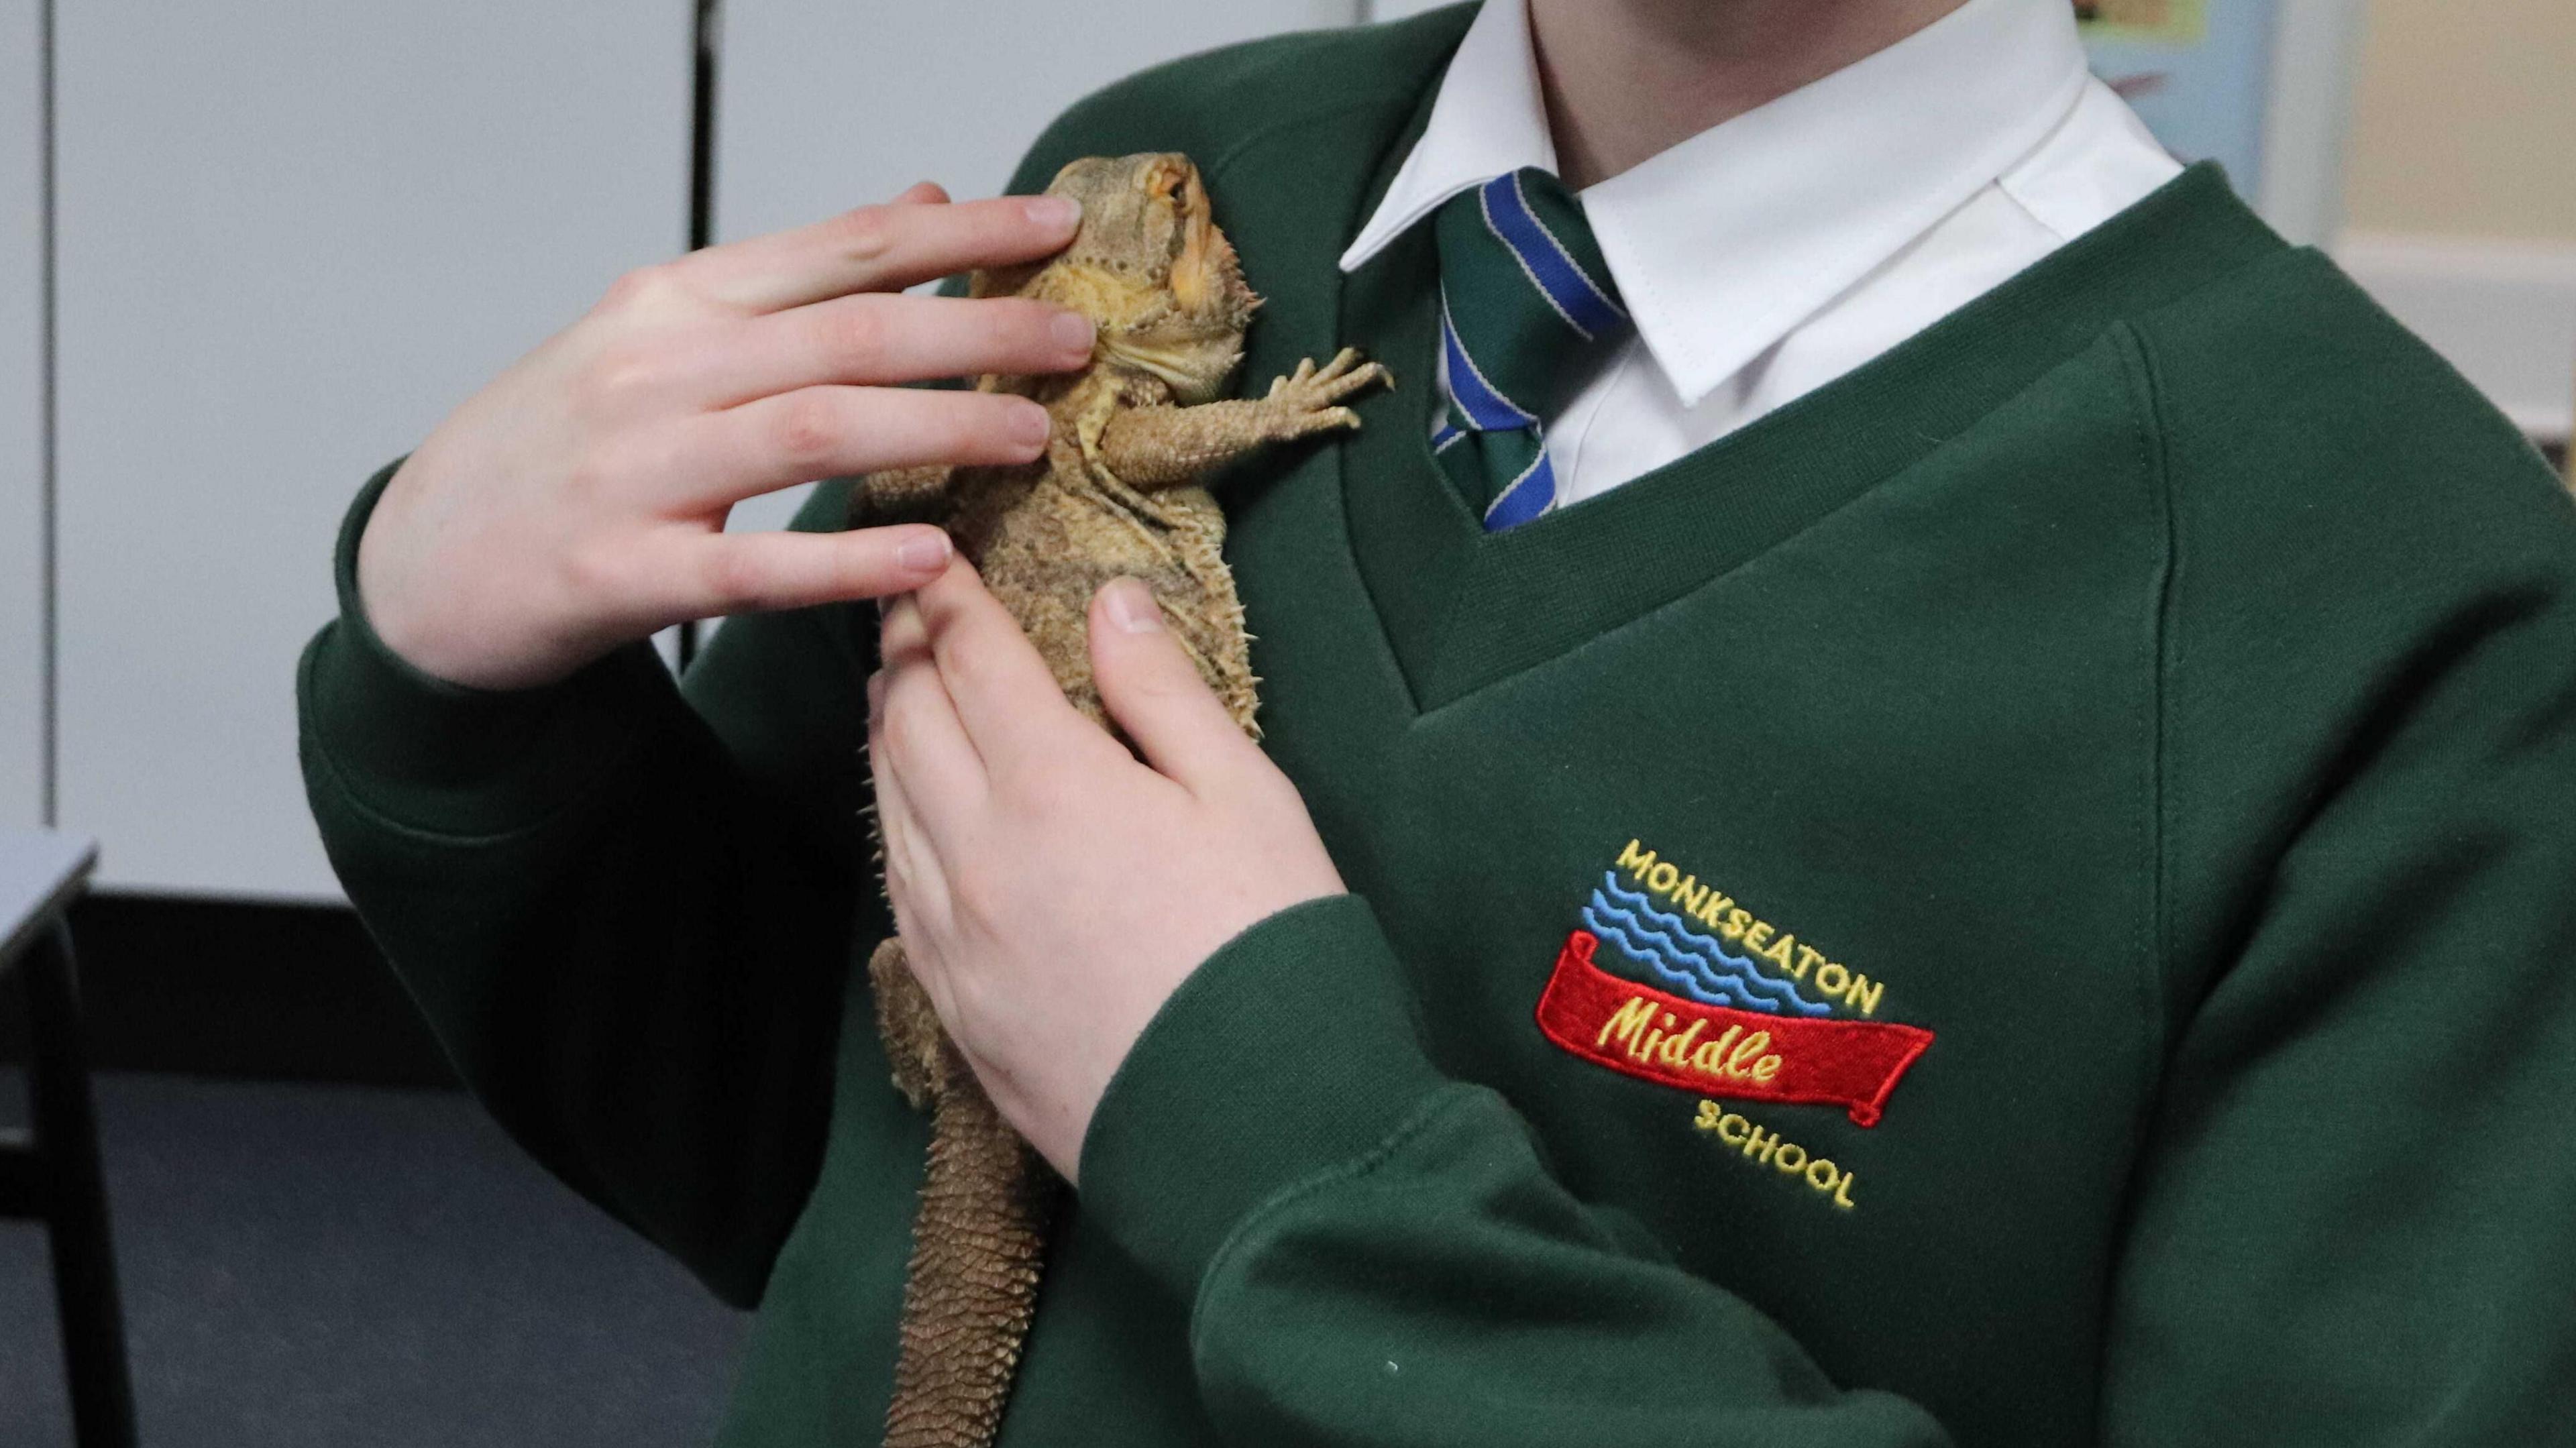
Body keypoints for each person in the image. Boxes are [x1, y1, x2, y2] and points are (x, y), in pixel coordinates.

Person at [298, 0, 2576, 1443]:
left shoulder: (2414, 621)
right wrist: (456, 675)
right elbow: (791, 1151)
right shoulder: (1152, 178)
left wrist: (1263, 1121)